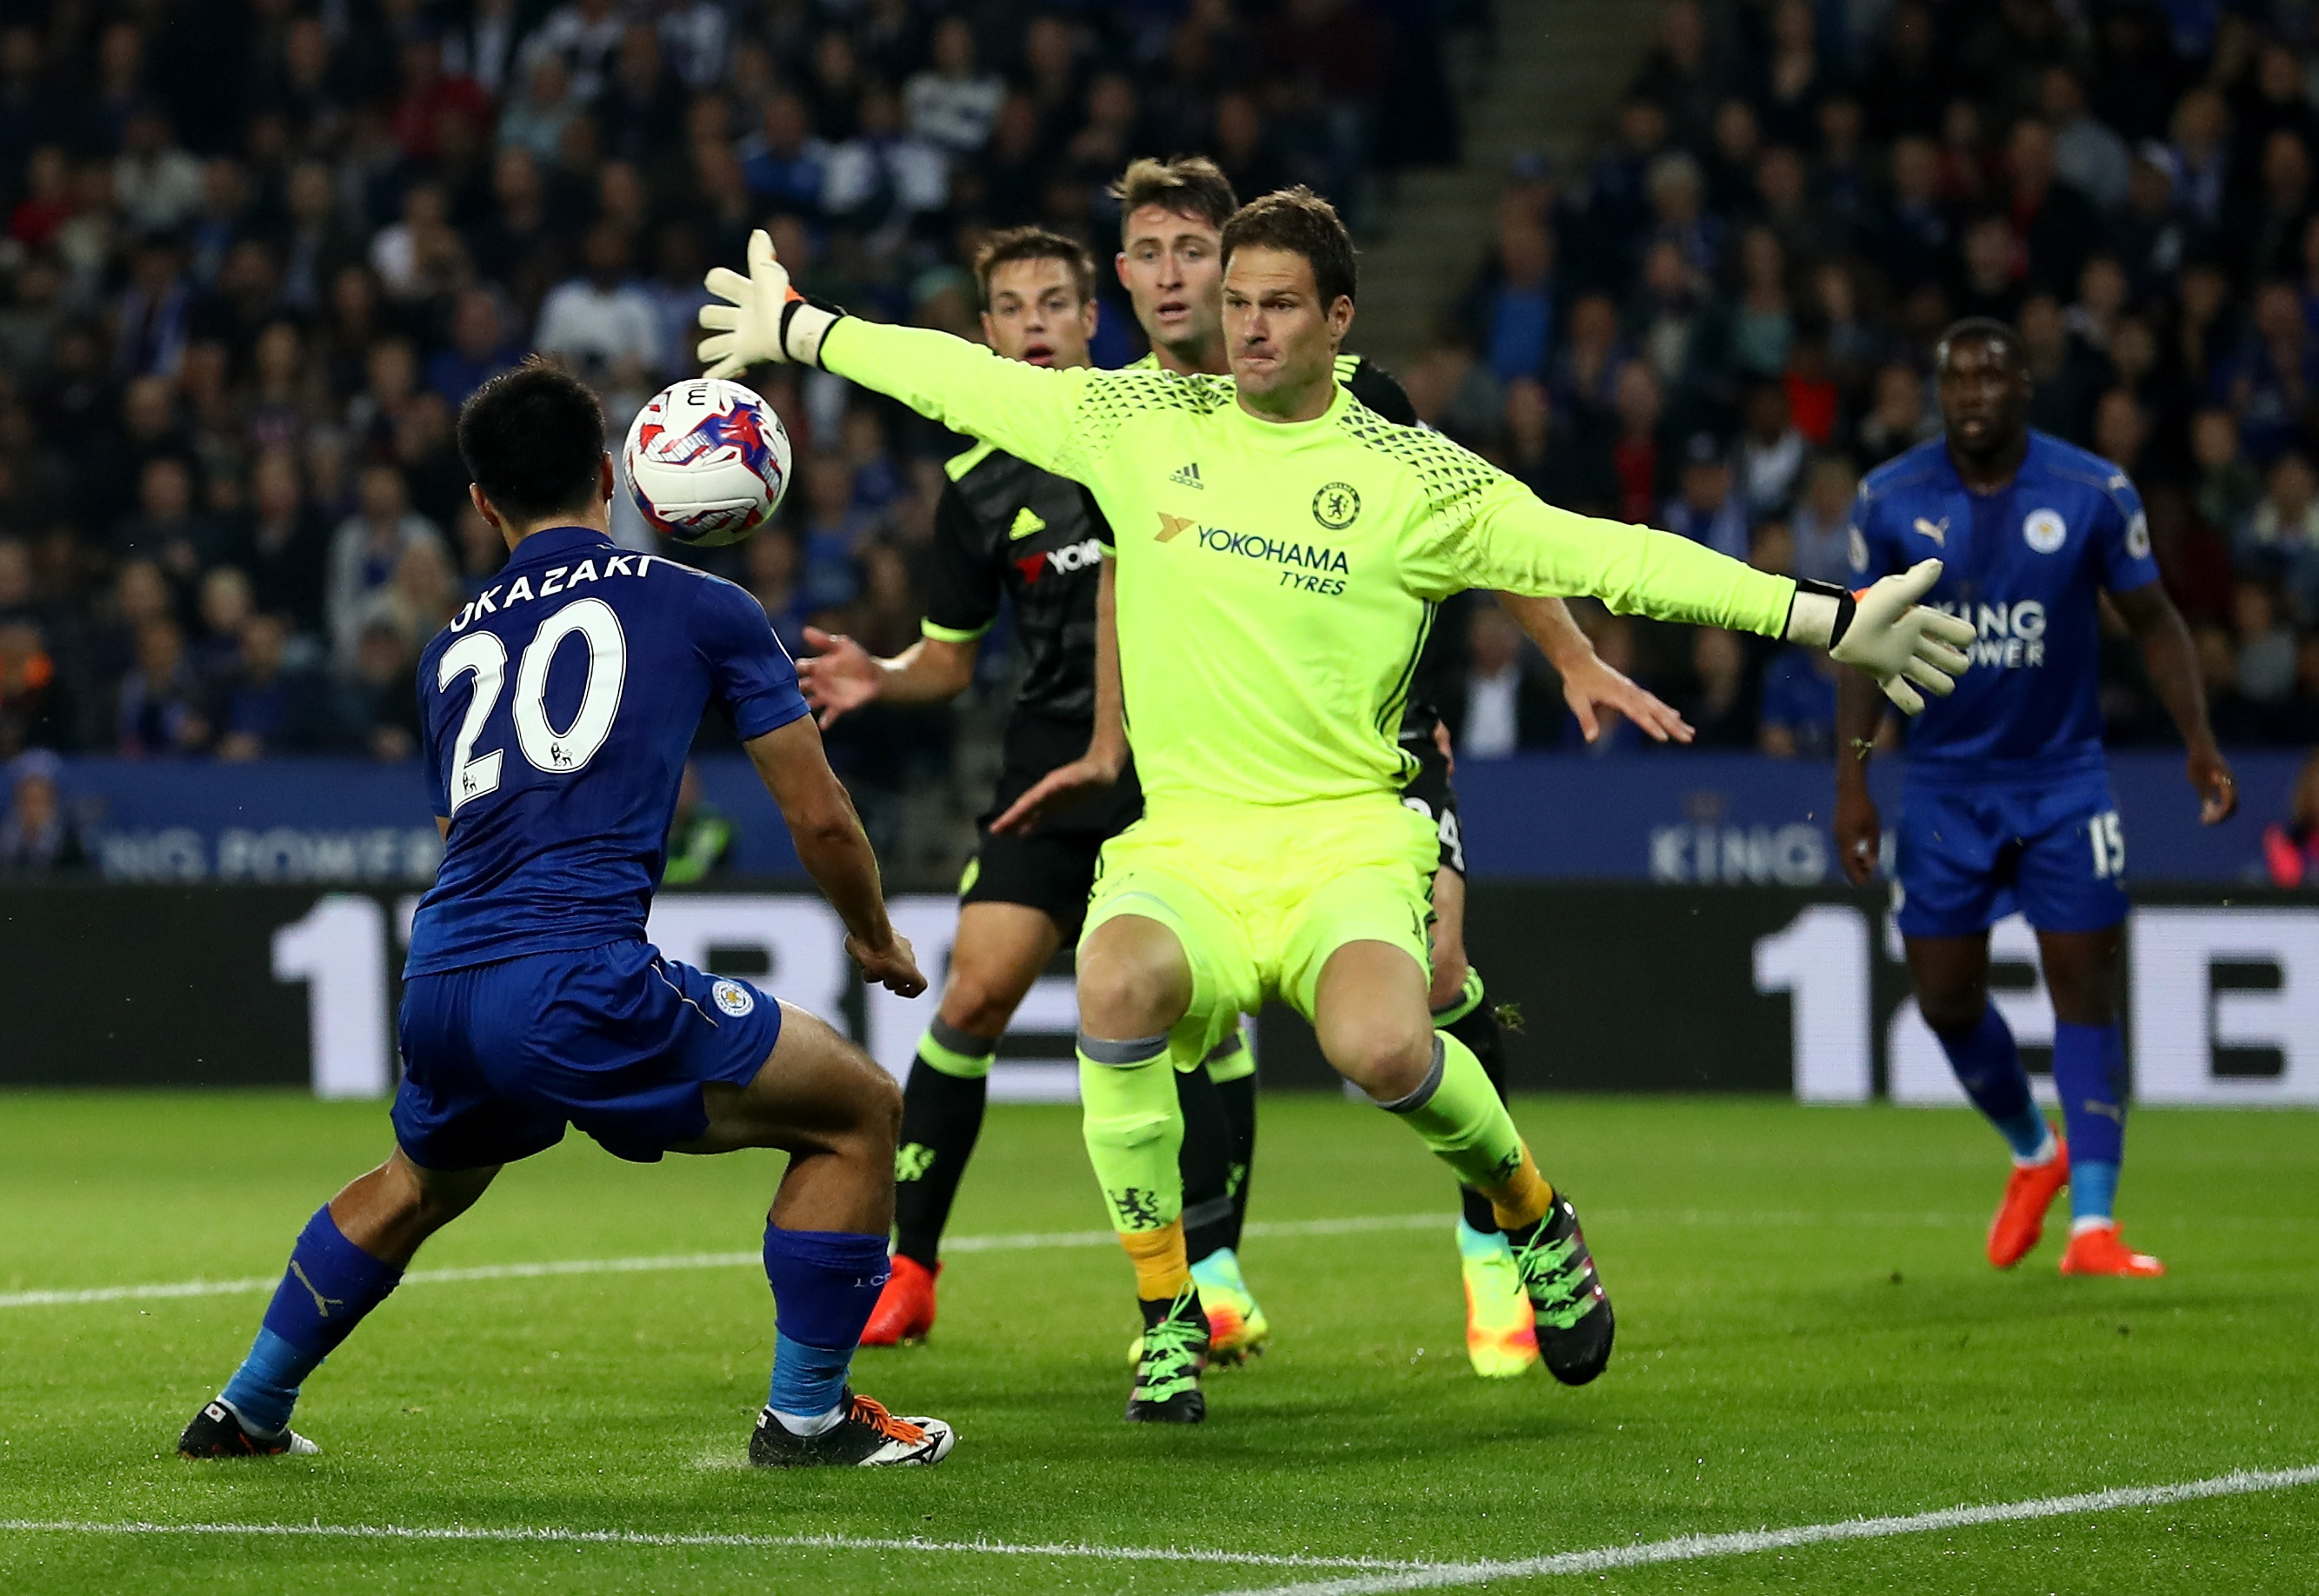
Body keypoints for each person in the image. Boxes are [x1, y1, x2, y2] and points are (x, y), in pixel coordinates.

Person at [699, 195, 1969, 1422]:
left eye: (1280, 306)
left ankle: (1532, 1215)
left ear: (1338, 319)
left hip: (1344, 842)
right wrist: (802, 327)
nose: (1248, 326)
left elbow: (1609, 553)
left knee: (1385, 1051)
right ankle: (1166, 1314)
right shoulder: (1136, 420)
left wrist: (1828, 618)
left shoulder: (1413, 476)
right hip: (1186, 844)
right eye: (1238, 301)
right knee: (1112, 988)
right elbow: (958, 381)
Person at [177, 361, 952, 1468]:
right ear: (610, 474)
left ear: (480, 502)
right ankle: (809, 1418)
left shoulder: (449, 648)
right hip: (576, 977)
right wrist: (873, 936)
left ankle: (247, 1407)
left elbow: (460, 837)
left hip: (441, 979)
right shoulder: (702, 605)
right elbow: (819, 815)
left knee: (417, 1183)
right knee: (859, 1108)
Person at [1107, 156, 1692, 1381]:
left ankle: (1499, 1228)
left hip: (1381, 748)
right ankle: (1199, 1281)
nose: (1181, 280)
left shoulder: (1356, 396)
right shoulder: (1134, 417)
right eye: (1153, 256)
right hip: (1214, 768)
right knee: (1165, 994)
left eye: (1198, 255)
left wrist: (1570, 655)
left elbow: (1480, 527)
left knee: (1430, 975)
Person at [1835, 318, 2236, 1280]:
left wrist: (2197, 742)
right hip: (1943, 785)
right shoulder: (1889, 498)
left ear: (2023, 388)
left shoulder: (2092, 491)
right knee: (1944, 1001)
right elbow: (1858, 649)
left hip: (2064, 782)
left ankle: (2093, 1226)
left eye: (1990, 377)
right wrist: (1852, 780)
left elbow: (2155, 622)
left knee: (2082, 989)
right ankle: (2032, 1149)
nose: (1971, 393)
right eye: (1955, 379)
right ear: (1939, 393)